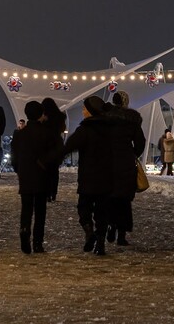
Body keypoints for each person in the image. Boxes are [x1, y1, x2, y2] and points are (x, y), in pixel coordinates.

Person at [61, 96, 113, 256]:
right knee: (102, 212)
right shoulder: (110, 129)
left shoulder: (84, 130)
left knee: (84, 207)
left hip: (88, 177)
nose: (83, 111)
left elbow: (69, 146)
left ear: (90, 111)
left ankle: (89, 232)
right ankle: (101, 244)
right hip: (106, 176)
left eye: (84, 109)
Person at [12, 101, 63, 254]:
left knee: (26, 208)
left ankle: (24, 233)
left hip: (26, 175)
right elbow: (56, 153)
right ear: (41, 114)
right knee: (40, 210)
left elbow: (14, 157)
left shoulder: (20, 134)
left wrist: (19, 170)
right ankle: (37, 242)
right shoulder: (47, 133)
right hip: (42, 175)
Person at [104, 91, 145, 246]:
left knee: (109, 196)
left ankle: (110, 224)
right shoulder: (132, 120)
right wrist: (133, 154)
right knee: (124, 199)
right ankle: (121, 234)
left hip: (108, 162)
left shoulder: (106, 119)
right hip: (126, 163)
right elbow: (140, 142)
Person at [41, 98, 67, 202]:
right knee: (54, 171)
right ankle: (54, 193)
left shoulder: (44, 117)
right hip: (57, 144)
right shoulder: (60, 117)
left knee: (45, 171)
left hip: (46, 145)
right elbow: (62, 129)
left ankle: (46, 193)